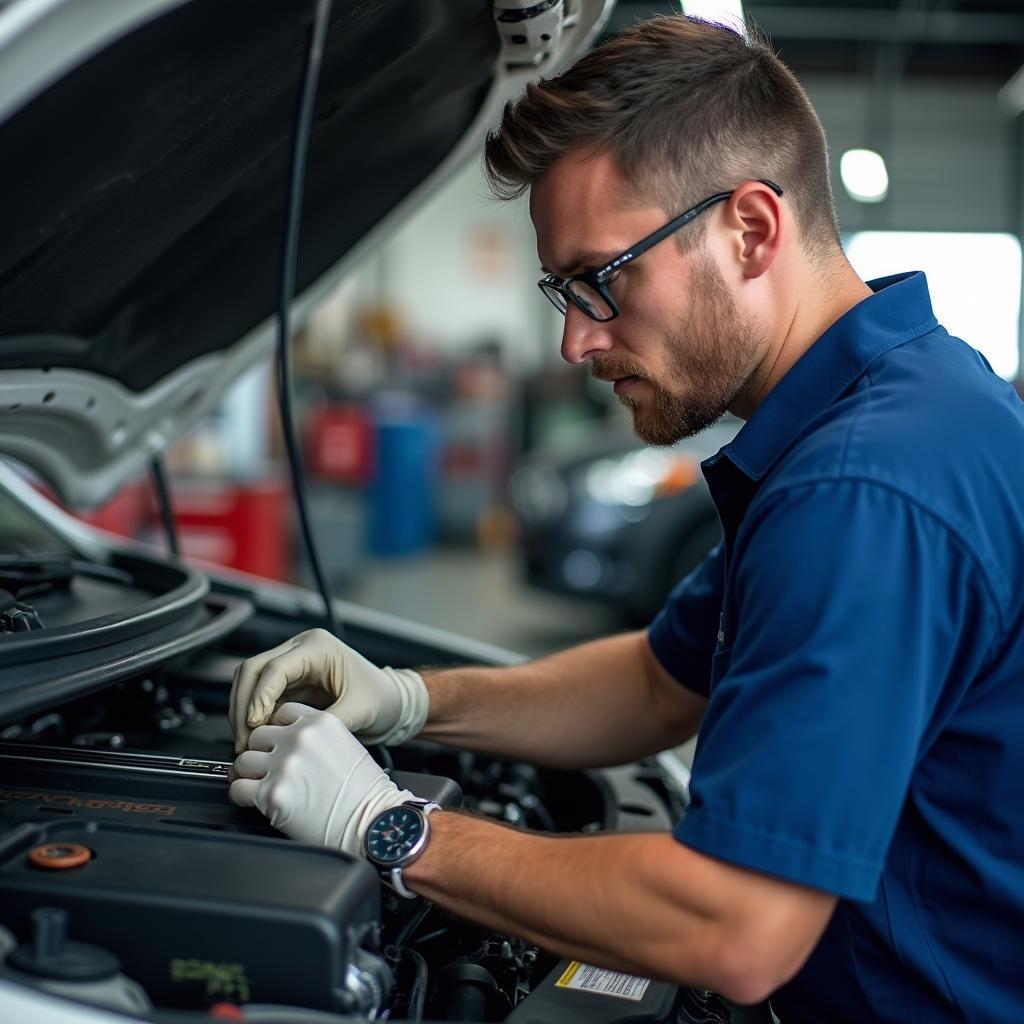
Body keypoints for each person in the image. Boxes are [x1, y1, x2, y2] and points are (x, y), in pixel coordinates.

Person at [227, 15, 1024, 1022]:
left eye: (602, 279)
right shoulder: (880, 408)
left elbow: (735, 925)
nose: (573, 341)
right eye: (561, 289)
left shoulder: (861, 490)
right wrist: (405, 698)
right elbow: (657, 682)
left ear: (750, 229)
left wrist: (389, 826)